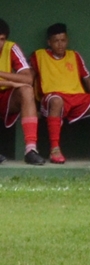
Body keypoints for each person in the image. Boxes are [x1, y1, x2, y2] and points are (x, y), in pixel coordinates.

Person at [30, 23, 90, 164]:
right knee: (57, 100)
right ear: (49, 42)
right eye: (56, 41)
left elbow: (87, 78)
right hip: (52, 97)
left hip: (76, 97)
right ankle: (54, 149)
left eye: (63, 40)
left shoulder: (74, 55)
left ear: (67, 40)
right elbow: (30, 78)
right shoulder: (39, 55)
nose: (60, 44)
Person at [0, 19, 43, 165]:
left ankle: (31, 150)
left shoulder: (11, 48)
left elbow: (28, 79)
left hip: (6, 98)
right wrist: (11, 82)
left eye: (2, 39)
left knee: (26, 90)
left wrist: (3, 74)